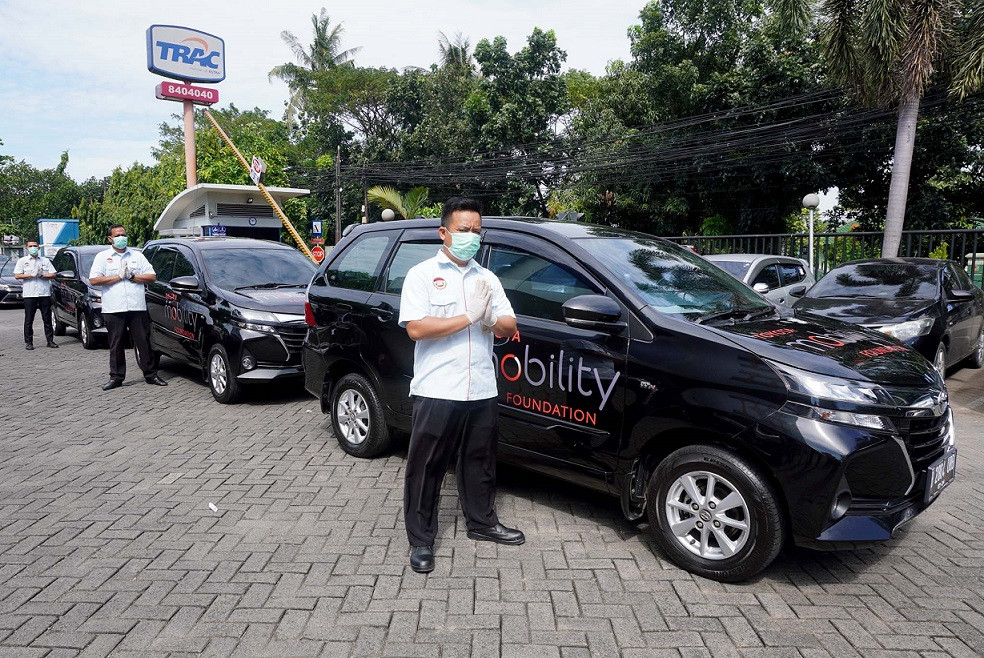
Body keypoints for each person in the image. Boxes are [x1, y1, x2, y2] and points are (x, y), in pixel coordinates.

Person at [398, 196, 521, 573]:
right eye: (463, 230)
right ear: (444, 233)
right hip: (438, 388)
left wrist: (487, 320)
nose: (471, 237)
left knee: (479, 462)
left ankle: (482, 524)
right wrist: (469, 316)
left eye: (476, 231)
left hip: (481, 386)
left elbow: (509, 324)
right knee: (427, 467)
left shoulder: (488, 278)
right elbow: (417, 328)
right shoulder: (421, 274)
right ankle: (421, 540)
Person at [88, 224, 168, 390]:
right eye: (117, 235)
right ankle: (116, 377)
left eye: (123, 234)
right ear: (110, 239)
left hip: (136, 306)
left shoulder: (137, 256)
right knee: (116, 344)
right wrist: (118, 277)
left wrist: (133, 276)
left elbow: (152, 276)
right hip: (114, 308)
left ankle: (150, 374)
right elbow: (94, 280)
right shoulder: (103, 257)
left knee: (143, 342)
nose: (121, 238)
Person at [13, 241, 58, 350]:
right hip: (30, 294)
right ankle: (29, 342)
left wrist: (43, 275)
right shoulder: (22, 261)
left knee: (47, 319)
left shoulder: (45, 261)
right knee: (29, 319)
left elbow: (53, 273)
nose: (33, 248)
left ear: (38, 247)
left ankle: (50, 340)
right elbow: (17, 275)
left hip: (44, 293)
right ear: (27, 248)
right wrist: (30, 275)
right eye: (30, 246)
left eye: (35, 246)